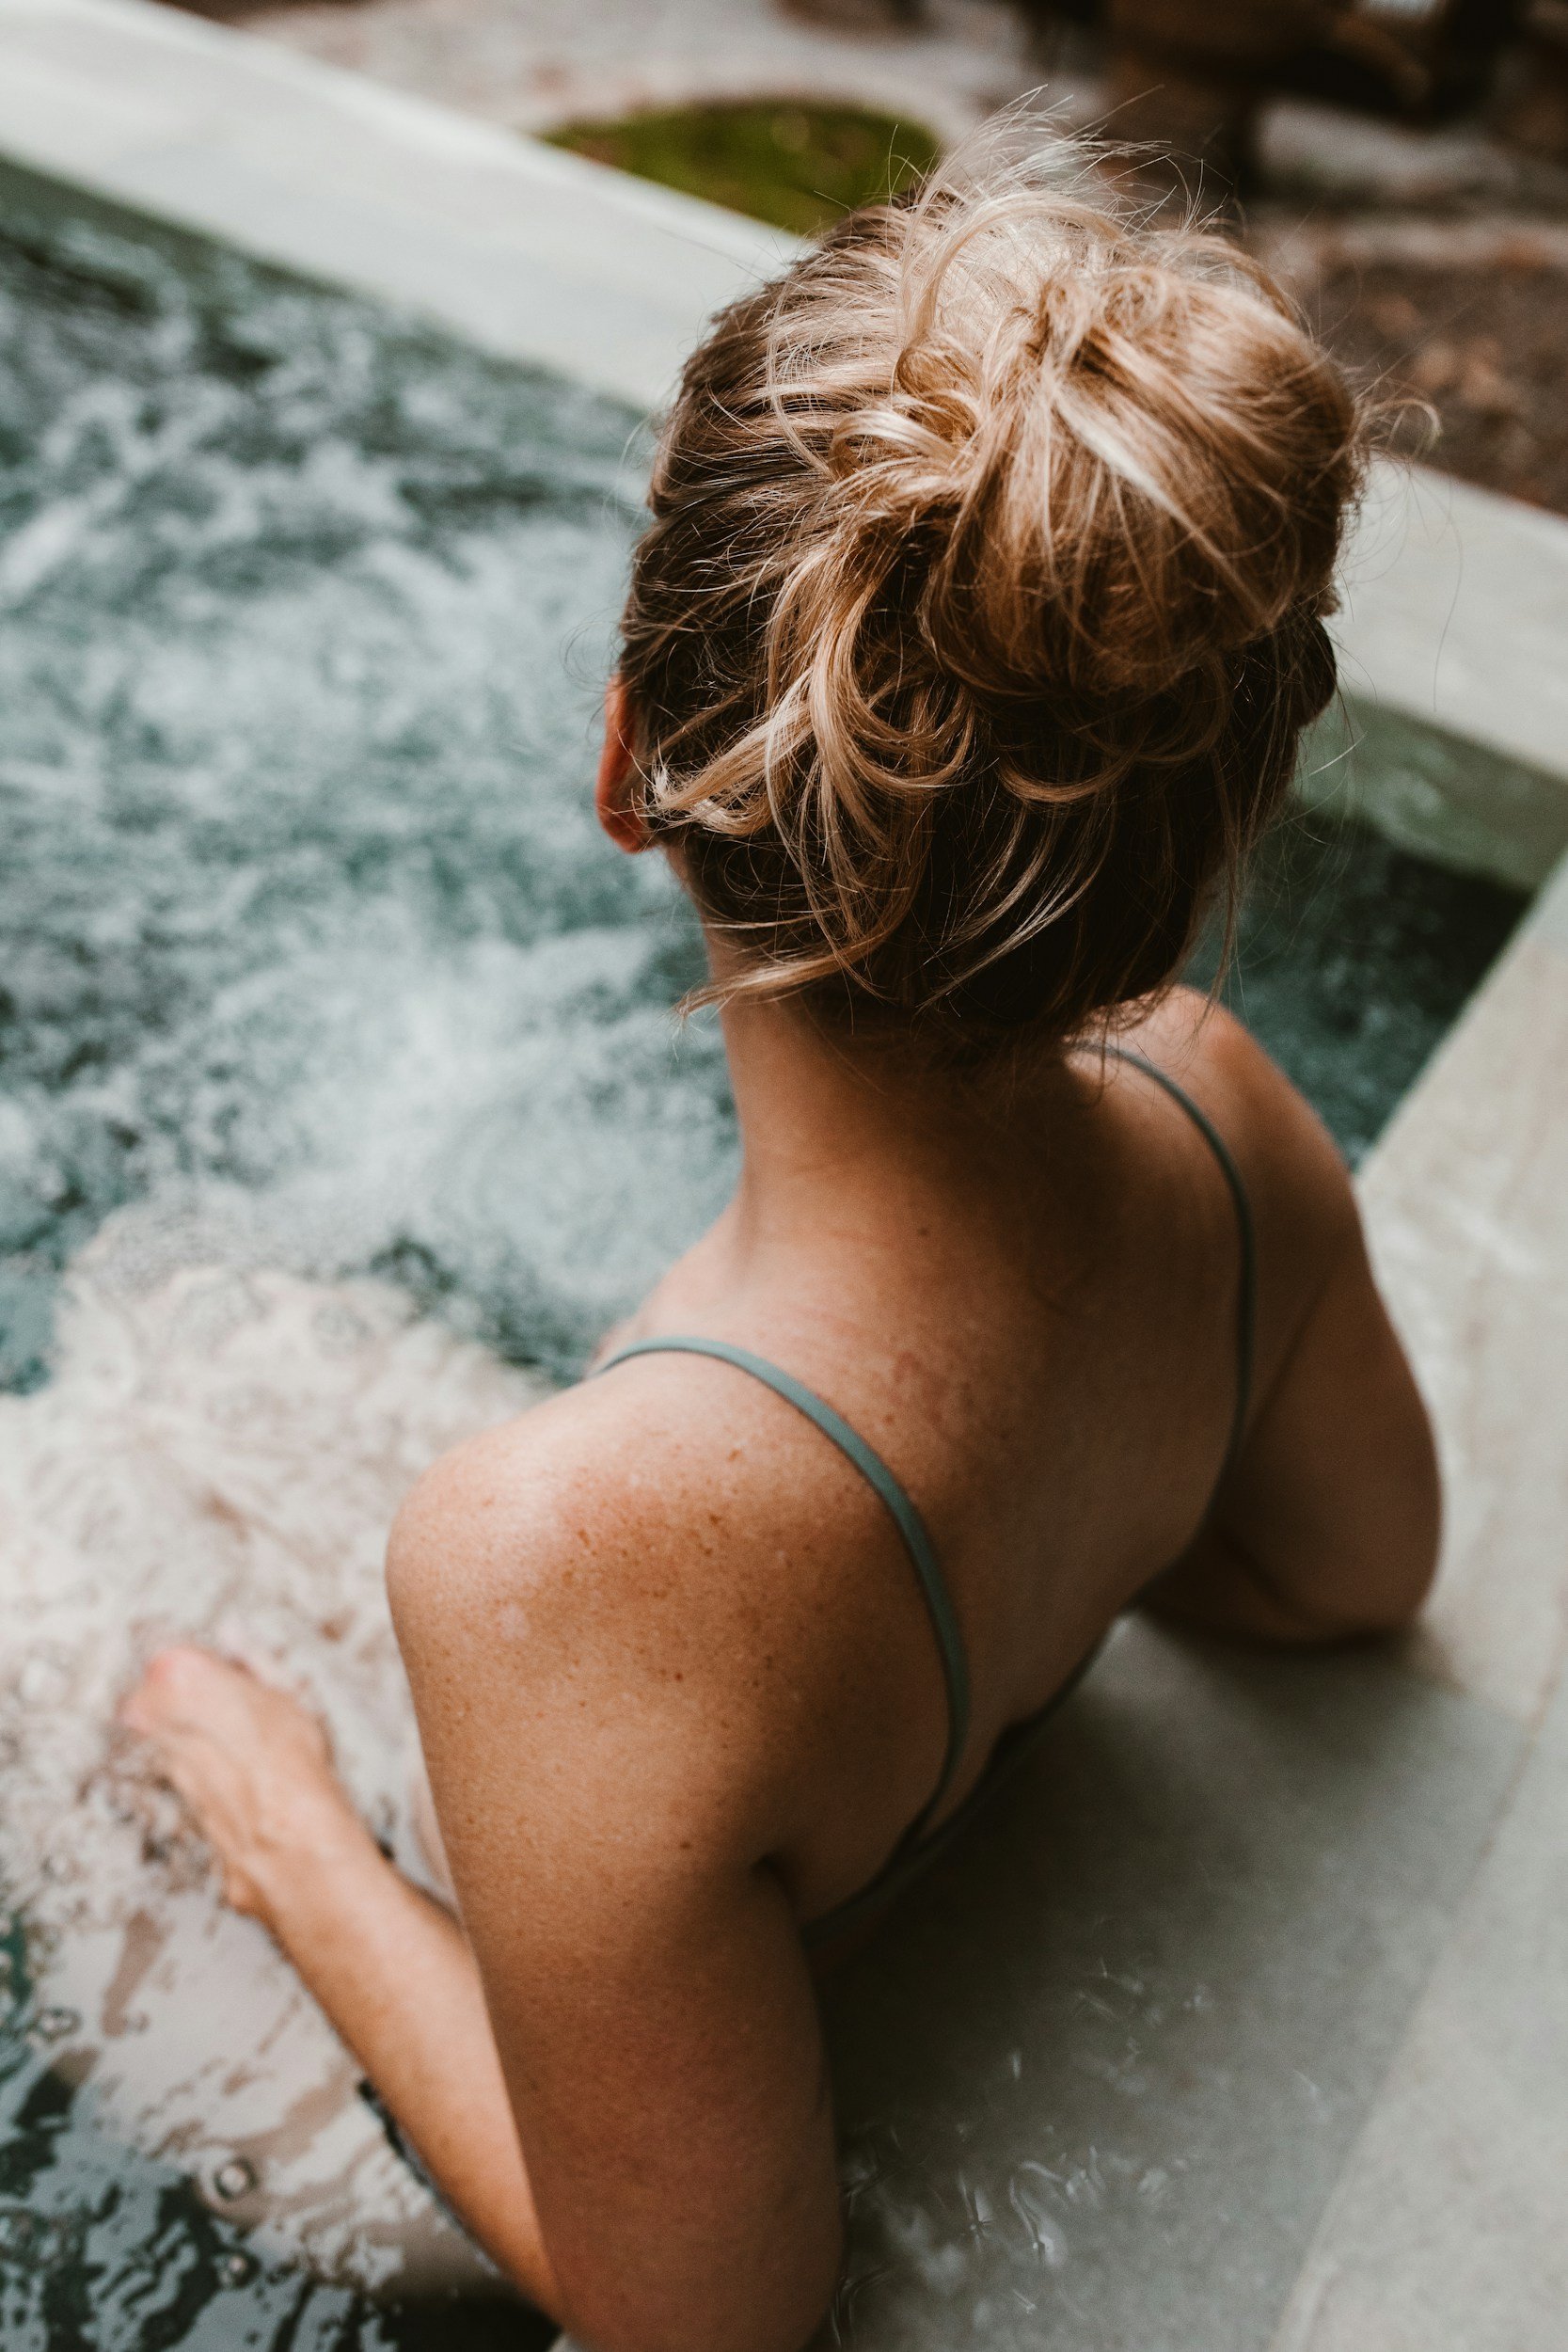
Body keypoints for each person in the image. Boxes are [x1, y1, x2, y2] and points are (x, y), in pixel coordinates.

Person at [121, 133, 1440, 2352]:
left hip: (572, 1999)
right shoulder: (1223, 1123)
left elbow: (704, 2319)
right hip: (758, 1613)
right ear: (1185, 835)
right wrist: (1053, 1508)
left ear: (631, 760)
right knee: (167, 1326)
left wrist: (277, 1826)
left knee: (84, 1563)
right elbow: (1352, 1572)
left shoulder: (559, 1554)